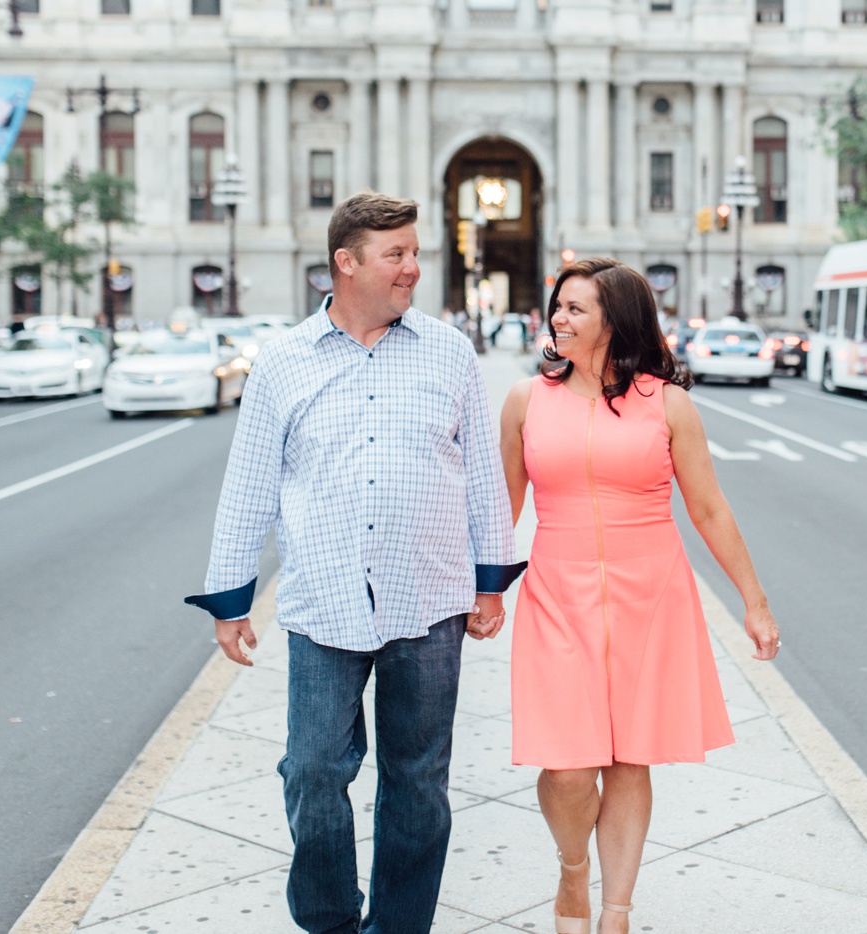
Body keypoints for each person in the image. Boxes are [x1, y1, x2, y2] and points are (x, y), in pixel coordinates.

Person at [185, 191, 525, 934]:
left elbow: (480, 478)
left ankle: (400, 927)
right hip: (323, 604)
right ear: (346, 263)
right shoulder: (282, 365)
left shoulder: (449, 352)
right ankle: (331, 919)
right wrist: (230, 600)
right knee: (311, 773)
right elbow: (250, 486)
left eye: (415, 252)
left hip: (429, 602)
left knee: (417, 783)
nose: (412, 268)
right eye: (396, 254)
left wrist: (491, 581)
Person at [499, 258, 780, 934]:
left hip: (650, 595)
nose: (557, 318)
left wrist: (755, 600)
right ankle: (574, 871)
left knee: (629, 759)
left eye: (575, 309)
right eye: (557, 307)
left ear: (614, 321)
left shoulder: (669, 403)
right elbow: (498, 510)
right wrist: (478, 592)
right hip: (556, 595)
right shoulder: (524, 400)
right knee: (568, 768)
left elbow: (709, 509)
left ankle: (615, 914)